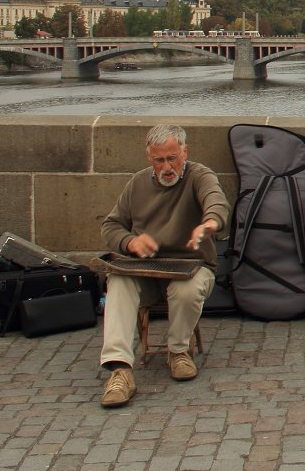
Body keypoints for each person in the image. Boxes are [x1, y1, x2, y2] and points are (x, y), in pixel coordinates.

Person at [99, 124, 230, 407]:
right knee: (118, 282)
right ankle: (119, 369)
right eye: (159, 160)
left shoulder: (199, 176)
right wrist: (129, 242)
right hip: (147, 270)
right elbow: (111, 226)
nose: (167, 166)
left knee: (187, 289)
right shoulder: (137, 183)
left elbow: (216, 203)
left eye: (173, 158)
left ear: (185, 152)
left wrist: (209, 225)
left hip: (192, 266)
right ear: (149, 157)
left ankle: (179, 352)